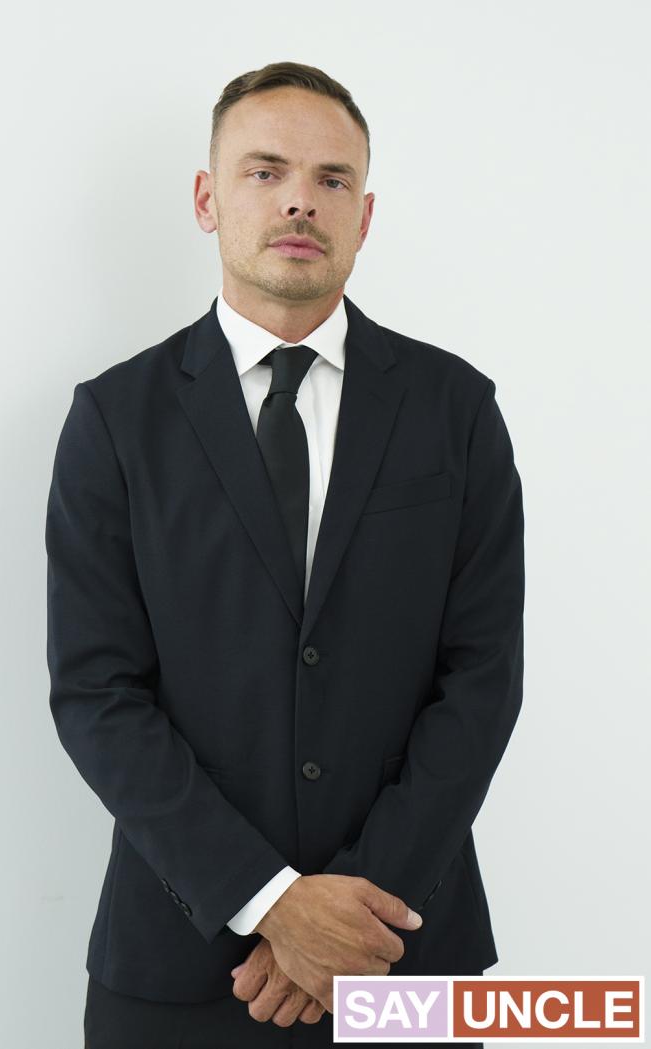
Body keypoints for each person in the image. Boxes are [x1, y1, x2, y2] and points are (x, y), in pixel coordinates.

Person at [45, 60, 525, 1049]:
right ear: (207, 199)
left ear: (365, 214)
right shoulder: (117, 419)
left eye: (331, 178)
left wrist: (353, 916)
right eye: (264, 171)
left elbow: (482, 678)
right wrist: (270, 901)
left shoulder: (457, 410)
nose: (301, 198)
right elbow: (97, 692)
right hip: (177, 961)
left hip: (404, 949)